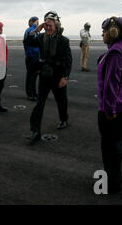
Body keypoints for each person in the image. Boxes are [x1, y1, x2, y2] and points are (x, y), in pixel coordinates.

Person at [97, 17, 122, 194]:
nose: (102, 34)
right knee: (117, 143)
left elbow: (111, 84)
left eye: (104, 31)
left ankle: (111, 183)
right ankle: (115, 180)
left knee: (109, 146)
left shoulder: (115, 53)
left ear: (112, 32)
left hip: (113, 108)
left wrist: (109, 110)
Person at [24, 11, 72, 145]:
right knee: (40, 103)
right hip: (45, 74)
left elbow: (68, 61)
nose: (48, 28)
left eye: (50, 25)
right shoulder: (40, 37)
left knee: (61, 100)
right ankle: (35, 131)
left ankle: (64, 119)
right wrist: (36, 30)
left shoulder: (64, 41)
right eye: (46, 26)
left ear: (56, 25)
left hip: (58, 76)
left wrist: (65, 77)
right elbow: (27, 41)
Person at [23, 17, 40, 101]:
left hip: (36, 56)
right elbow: (29, 39)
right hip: (31, 56)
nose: (38, 23)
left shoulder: (36, 31)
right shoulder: (29, 30)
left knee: (34, 76)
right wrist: (34, 25)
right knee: (30, 76)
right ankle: (30, 94)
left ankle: (34, 92)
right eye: (37, 22)